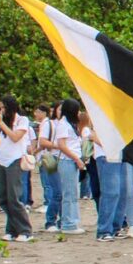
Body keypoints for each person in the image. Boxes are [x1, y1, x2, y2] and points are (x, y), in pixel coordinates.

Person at [0, 94, 33, 242]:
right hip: (1, 160)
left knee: (14, 197)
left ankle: (25, 230)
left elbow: (15, 137)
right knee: (4, 198)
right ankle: (12, 229)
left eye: (3, 108)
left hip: (15, 160)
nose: (1, 111)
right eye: (0, 108)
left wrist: (0, 122)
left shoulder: (22, 120)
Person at [54, 98, 87, 236]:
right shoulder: (63, 124)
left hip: (72, 160)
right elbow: (61, 145)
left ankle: (72, 220)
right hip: (67, 160)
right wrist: (76, 158)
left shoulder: (71, 124)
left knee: (73, 192)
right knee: (69, 192)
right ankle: (68, 223)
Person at [35, 102, 62, 232]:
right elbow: (43, 141)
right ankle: (50, 220)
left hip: (64, 158)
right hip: (51, 158)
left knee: (63, 192)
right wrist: (60, 146)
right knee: (55, 190)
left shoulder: (69, 124)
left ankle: (62, 220)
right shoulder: (49, 124)